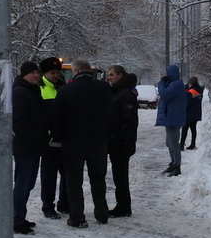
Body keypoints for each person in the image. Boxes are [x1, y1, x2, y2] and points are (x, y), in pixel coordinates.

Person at [55, 58, 112, 228]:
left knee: (74, 180)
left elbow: (58, 117)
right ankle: (102, 213)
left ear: (76, 71)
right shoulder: (104, 88)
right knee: (98, 178)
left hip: (73, 142)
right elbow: (111, 112)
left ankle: (77, 216)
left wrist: (57, 137)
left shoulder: (66, 90)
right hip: (98, 141)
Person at [11, 61, 47, 235]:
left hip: (34, 147)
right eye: (32, 73)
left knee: (28, 183)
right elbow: (19, 121)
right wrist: (32, 138)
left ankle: (20, 216)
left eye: (37, 73)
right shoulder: (20, 92)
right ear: (24, 74)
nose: (36, 75)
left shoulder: (32, 91)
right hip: (25, 147)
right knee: (22, 184)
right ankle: (16, 219)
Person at [38, 56, 69, 219]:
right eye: (53, 73)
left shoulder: (63, 88)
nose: (56, 75)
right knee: (48, 177)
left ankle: (64, 203)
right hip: (49, 143)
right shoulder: (40, 89)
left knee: (66, 175)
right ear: (45, 73)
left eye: (58, 72)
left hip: (64, 141)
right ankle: (48, 206)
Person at [106, 65, 139, 217]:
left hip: (121, 143)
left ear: (120, 75)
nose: (109, 77)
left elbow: (129, 121)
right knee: (118, 175)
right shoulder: (117, 92)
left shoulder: (125, 95)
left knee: (120, 175)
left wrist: (119, 138)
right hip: (116, 141)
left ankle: (124, 206)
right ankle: (122, 204)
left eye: (112, 74)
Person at [155, 64, 187, 176]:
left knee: (173, 143)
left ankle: (177, 166)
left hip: (174, 117)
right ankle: (173, 163)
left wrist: (161, 83)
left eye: (166, 73)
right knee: (169, 143)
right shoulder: (172, 84)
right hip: (170, 117)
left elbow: (165, 94)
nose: (164, 75)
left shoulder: (176, 84)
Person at [181, 77, 205, 150]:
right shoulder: (199, 90)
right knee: (193, 129)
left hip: (189, 113)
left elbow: (187, 102)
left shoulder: (190, 91)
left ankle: (181, 144)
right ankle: (193, 144)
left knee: (185, 129)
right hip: (196, 112)